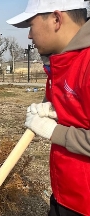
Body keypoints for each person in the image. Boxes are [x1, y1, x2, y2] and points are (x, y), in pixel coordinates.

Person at [7, 0, 90, 215]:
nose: (29, 35)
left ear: (56, 19)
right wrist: (55, 110)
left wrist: (55, 131)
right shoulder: (61, 63)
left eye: (31, 25)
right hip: (67, 194)